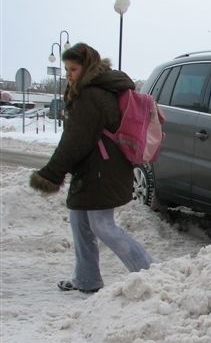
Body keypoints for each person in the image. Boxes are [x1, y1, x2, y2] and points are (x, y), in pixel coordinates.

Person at [29, 43, 153, 293]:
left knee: (102, 225)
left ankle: (152, 272)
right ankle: (87, 279)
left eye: (73, 69)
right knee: (79, 222)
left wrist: (51, 173)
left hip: (102, 169)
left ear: (87, 67)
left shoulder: (91, 95)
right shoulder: (94, 89)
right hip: (94, 167)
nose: (68, 74)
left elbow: (75, 140)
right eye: (66, 69)